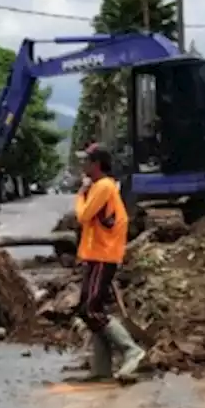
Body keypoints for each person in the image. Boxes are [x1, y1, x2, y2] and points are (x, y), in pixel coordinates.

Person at [74, 143, 144, 382]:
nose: (82, 165)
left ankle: (131, 350)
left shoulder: (102, 187)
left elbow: (83, 216)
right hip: (96, 255)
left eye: (86, 161)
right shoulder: (101, 186)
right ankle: (102, 368)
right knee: (92, 308)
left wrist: (81, 194)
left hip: (103, 255)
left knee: (89, 309)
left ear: (96, 164)